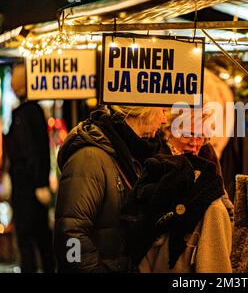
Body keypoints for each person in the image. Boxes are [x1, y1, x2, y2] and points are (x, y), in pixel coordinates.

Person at [54, 105, 166, 272]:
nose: (164, 119)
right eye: (162, 110)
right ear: (144, 110)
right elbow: (70, 235)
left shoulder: (136, 154)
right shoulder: (89, 159)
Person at [134, 106, 233, 273]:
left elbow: (220, 191)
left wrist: (229, 217)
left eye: (201, 136)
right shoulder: (156, 155)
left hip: (200, 239)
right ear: (169, 132)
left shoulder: (207, 153)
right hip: (161, 245)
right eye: (187, 134)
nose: (194, 143)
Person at [5, 63, 55, 273]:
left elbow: (28, 152)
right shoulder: (35, 111)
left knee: (28, 240)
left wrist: (38, 183)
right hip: (34, 187)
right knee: (42, 239)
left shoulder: (23, 115)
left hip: (27, 188)